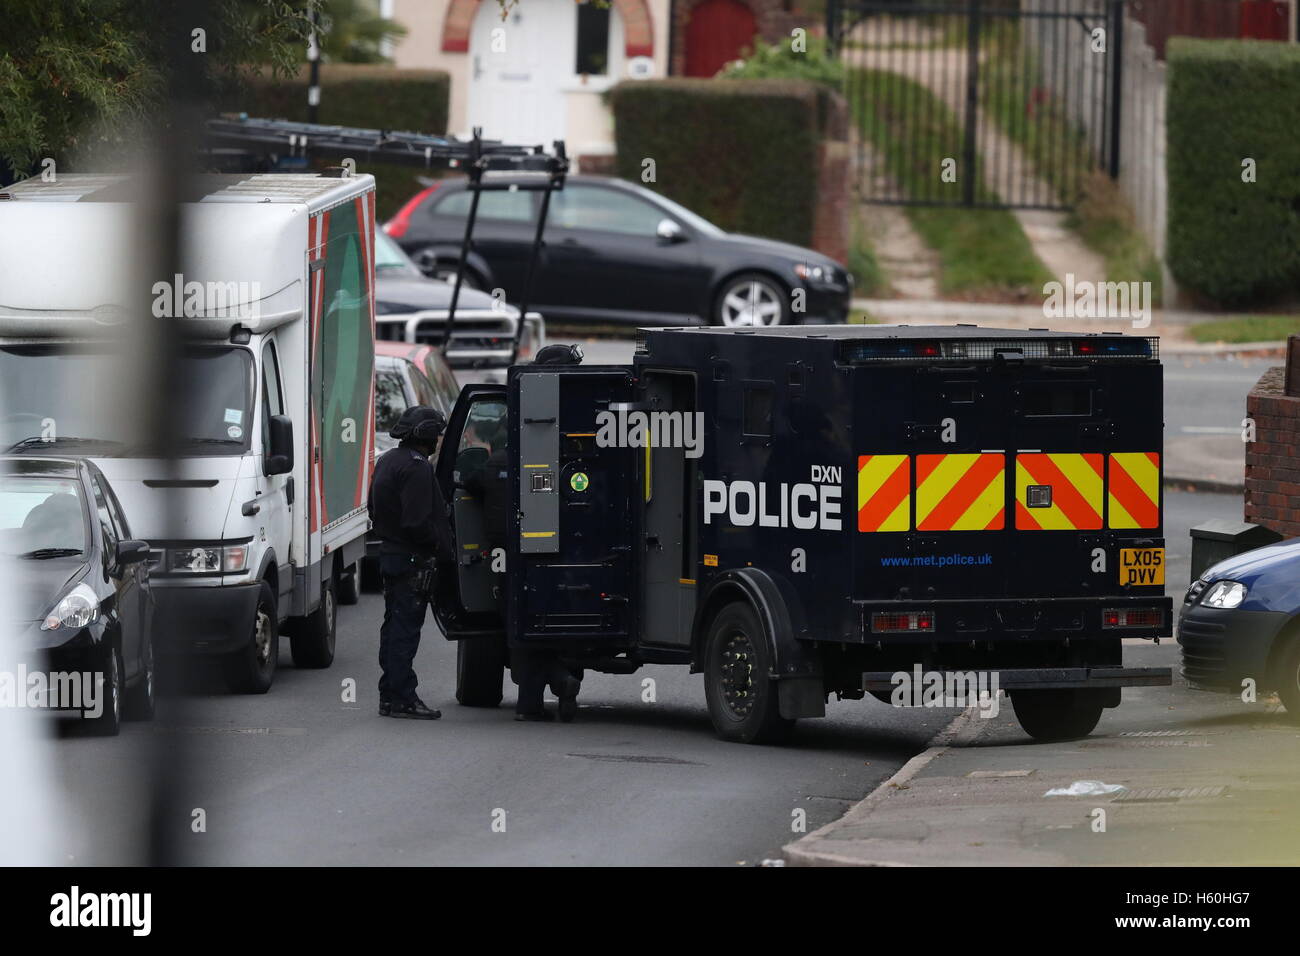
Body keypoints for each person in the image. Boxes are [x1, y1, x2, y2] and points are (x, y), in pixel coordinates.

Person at [369, 405, 454, 720]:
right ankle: (403, 697)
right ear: (426, 435)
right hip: (412, 559)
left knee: (393, 626)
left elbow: (373, 509)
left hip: (392, 554)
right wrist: (435, 544)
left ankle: (389, 696)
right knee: (405, 630)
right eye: (437, 434)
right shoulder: (417, 467)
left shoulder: (387, 461)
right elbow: (416, 522)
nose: (439, 441)